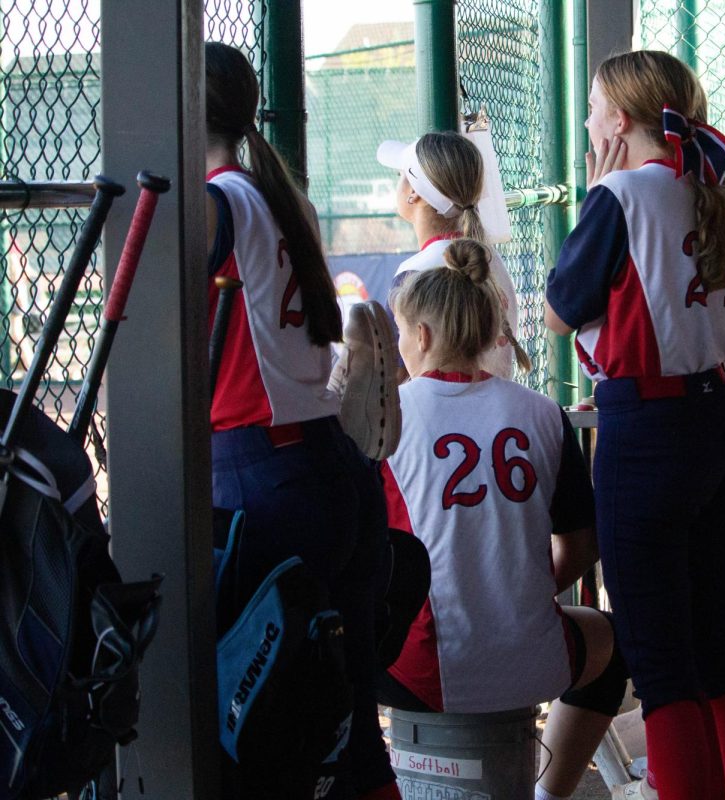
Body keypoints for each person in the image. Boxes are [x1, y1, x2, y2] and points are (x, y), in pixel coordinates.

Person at [545, 49, 725, 800]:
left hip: (650, 429)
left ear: (622, 120)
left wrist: (593, 191)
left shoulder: (622, 194)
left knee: (660, 658)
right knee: (719, 646)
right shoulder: (716, 191)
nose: (585, 119)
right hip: (723, 417)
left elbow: (557, 311)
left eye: (593, 106)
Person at [203, 42, 397, 800]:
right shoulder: (277, 194)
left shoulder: (218, 199)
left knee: (274, 739)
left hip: (264, 472)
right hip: (327, 464)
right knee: (349, 730)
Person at [377, 238, 627, 800]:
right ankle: (551, 794)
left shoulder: (390, 415)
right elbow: (582, 546)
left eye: (401, 334)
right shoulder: (540, 411)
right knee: (614, 646)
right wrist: (520, 588)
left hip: (421, 670)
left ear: (421, 336)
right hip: (531, 655)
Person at [374, 131, 528, 381]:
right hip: (496, 410)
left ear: (414, 192)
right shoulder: (486, 259)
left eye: (399, 175)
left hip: (438, 416)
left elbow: (393, 375)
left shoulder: (415, 272)